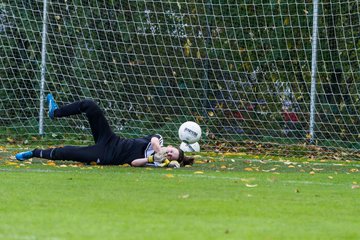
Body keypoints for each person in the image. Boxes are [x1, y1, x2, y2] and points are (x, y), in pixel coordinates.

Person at [15, 94, 194, 168]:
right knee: (90, 106)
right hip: (110, 139)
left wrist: (152, 158)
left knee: (68, 151)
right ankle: (56, 112)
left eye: (171, 156)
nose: (169, 154)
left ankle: (33, 153)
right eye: (171, 151)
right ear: (170, 146)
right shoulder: (159, 142)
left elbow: (133, 163)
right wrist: (159, 151)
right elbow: (155, 141)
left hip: (107, 156)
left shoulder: (156, 163)